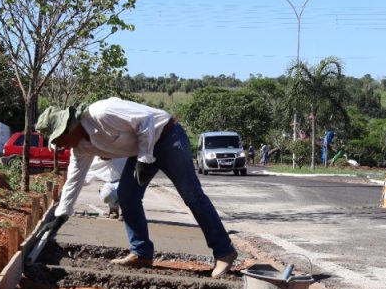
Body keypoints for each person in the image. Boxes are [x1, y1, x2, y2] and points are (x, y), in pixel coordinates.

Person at [36, 99, 238, 278]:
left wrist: (143, 159)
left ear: (67, 128)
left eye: (59, 140)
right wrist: (60, 215)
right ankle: (141, 253)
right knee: (127, 195)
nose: (62, 146)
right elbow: (74, 179)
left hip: (167, 137)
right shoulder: (80, 147)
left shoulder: (103, 112)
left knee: (192, 195)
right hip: (143, 150)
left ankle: (224, 251)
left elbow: (146, 121)